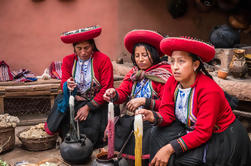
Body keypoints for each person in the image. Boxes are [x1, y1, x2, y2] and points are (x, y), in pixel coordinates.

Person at [136, 36, 251, 166]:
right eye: (172, 62)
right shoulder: (172, 82)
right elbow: (167, 112)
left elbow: (202, 132)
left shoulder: (208, 90)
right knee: (156, 133)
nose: (175, 67)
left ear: (195, 65)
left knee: (182, 159)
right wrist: (153, 116)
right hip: (192, 129)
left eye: (181, 62)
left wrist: (169, 148)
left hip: (220, 137)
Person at [103, 29, 172, 165]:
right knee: (121, 128)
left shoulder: (164, 75)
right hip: (133, 118)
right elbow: (123, 93)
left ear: (154, 54)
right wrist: (114, 93)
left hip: (153, 120)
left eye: (145, 55)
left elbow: (167, 105)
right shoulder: (134, 73)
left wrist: (145, 101)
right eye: (137, 55)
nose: (140, 59)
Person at [44, 25, 113, 149]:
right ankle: (68, 140)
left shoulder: (103, 60)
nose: (83, 52)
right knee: (67, 110)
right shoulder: (68, 60)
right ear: (74, 48)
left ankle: (88, 144)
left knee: (92, 123)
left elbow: (107, 88)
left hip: (98, 101)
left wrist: (88, 107)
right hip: (76, 99)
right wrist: (69, 87)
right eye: (79, 48)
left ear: (92, 46)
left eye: (86, 47)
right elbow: (64, 81)